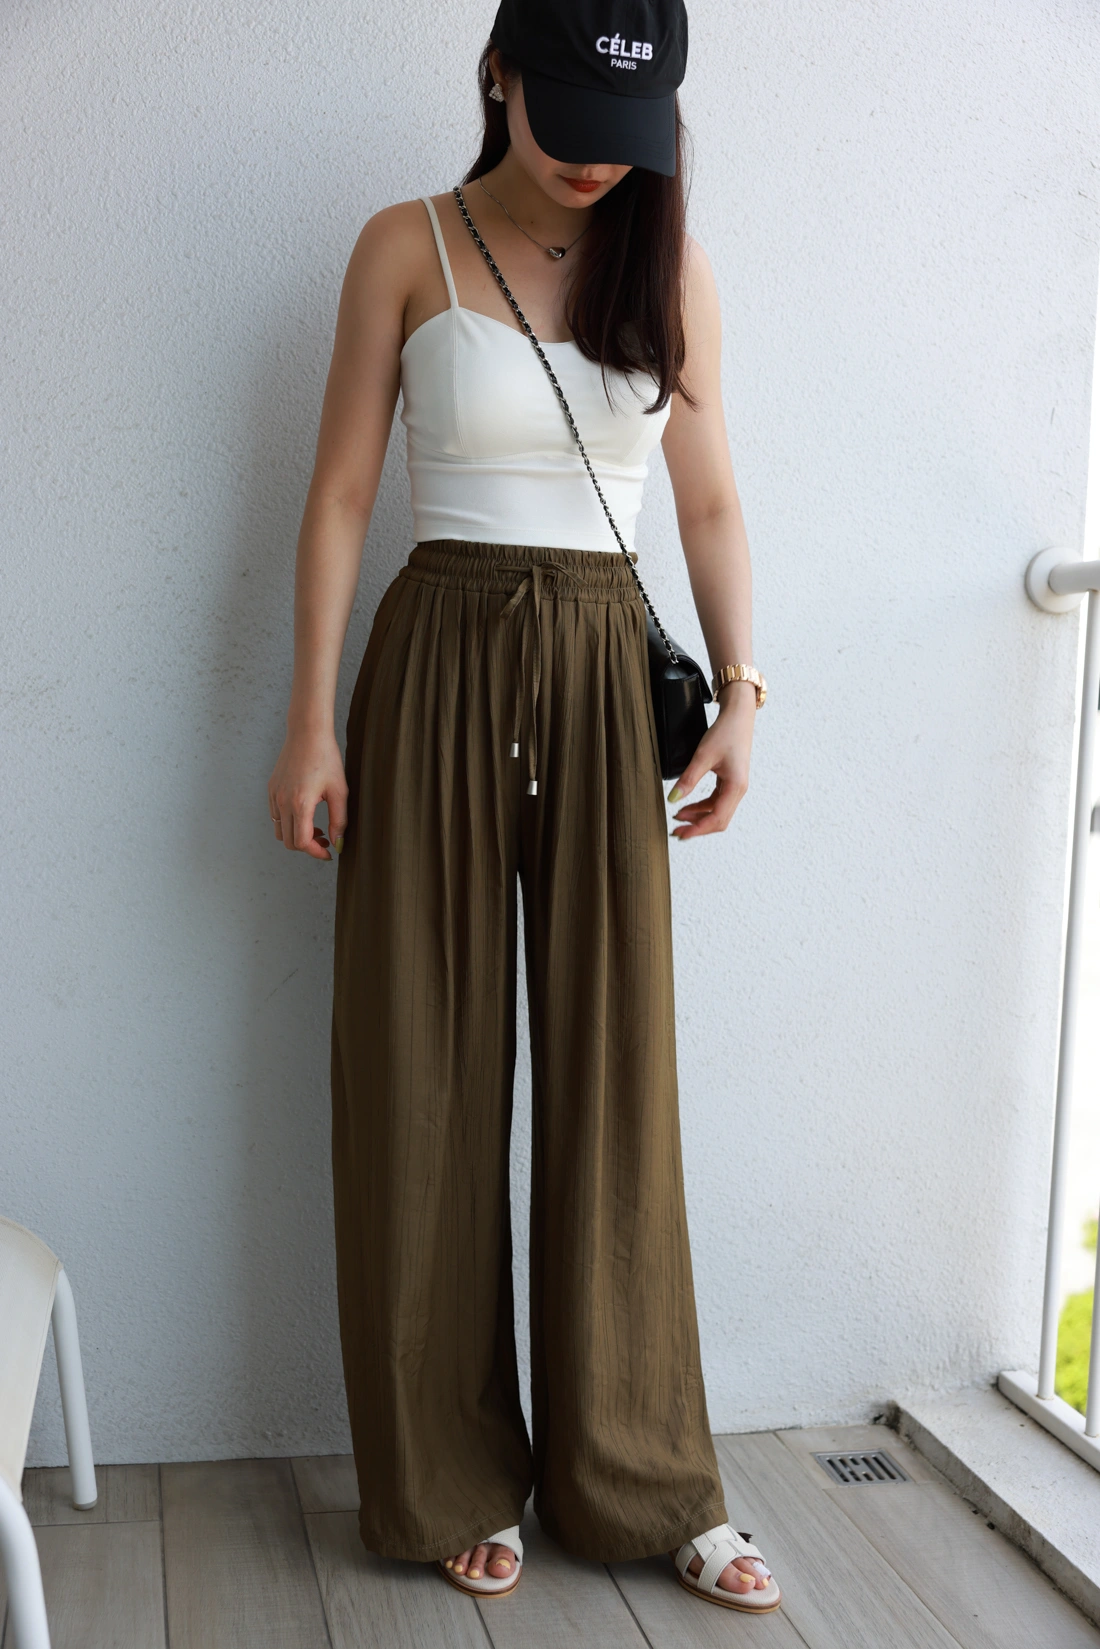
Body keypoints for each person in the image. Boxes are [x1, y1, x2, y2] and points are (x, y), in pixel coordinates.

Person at [267, 0, 779, 1616]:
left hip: (604, 680)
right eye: (565, 116)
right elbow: (341, 491)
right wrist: (307, 722)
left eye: (625, 132)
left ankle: (646, 1476)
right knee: (420, 1066)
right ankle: (446, 1473)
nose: (592, 162)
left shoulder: (667, 267)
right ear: (498, 74)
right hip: (434, 664)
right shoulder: (403, 244)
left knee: (617, 1074)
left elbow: (708, 497)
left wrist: (744, 695)